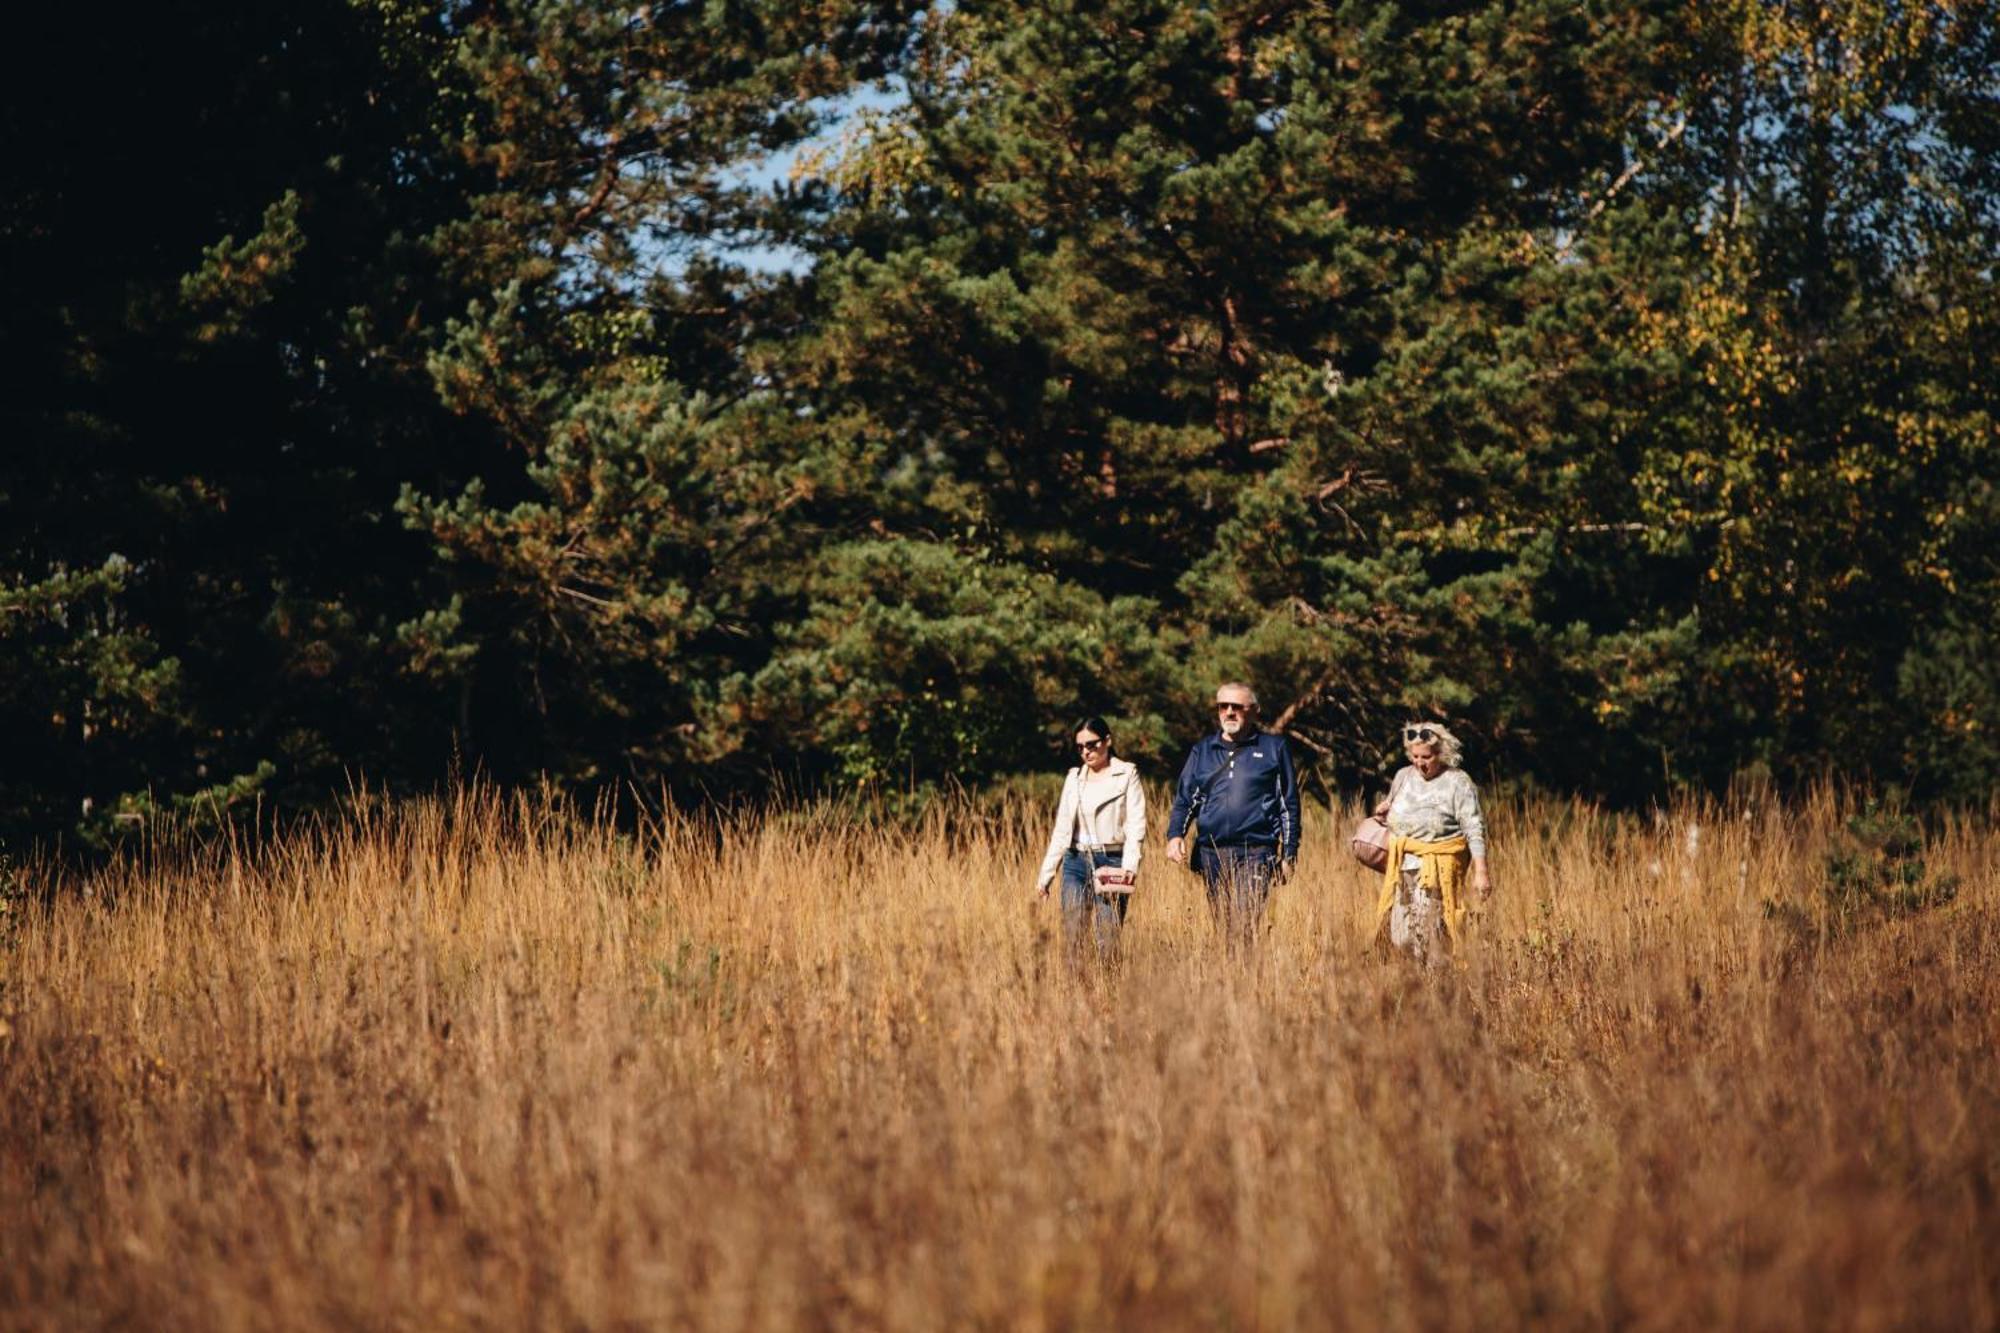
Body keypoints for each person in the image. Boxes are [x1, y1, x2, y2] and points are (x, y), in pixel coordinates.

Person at [1165, 682, 1300, 942]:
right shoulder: (1202, 751)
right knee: (1224, 927)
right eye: (1222, 706)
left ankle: (1245, 979)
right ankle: (1231, 980)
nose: (1228, 712)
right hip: (1211, 852)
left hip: (1256, 851)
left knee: (1244, 924)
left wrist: (1290, 853)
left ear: (1254, 711)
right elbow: (1185, 799)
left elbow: (1289, 804)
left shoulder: (1274, 748)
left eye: (1236, 707)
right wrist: (1175, 835)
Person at [1373, 721, 1491, 964]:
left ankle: (1434, 987)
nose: (1419, 762)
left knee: (1427, 934)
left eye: (1426, 757)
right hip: (1403, 867)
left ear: (1441, 753)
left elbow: (1474, 827)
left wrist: (1481, 871)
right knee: (1401, 935)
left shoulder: (1458, 782)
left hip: (1438, 868)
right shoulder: (1403, 776)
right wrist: (1385, 811)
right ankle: (1423, 978)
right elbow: (1394, 809)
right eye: (1415, 756)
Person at [1033, 716, 1148, 960]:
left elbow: (1136, 824)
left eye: (1092, 745)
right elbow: (1062, 830)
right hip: (1075, 861)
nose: (1086, 751)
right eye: (1080, 747)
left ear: (1107, 741)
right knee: (1073, 935)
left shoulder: (1127, 774)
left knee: (1108, 937)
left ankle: (1109, 992)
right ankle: (1076, 992)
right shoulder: (1074, 778)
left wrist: (1130, 865)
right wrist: (1046, 875)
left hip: (1112, 860)